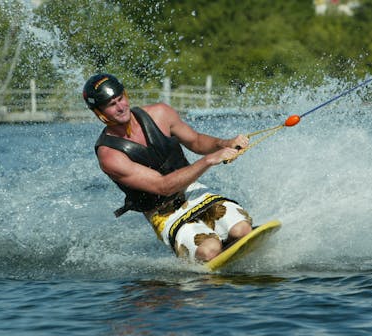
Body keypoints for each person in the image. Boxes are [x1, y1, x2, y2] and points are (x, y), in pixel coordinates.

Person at [83, 73, 253, 262]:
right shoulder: (110, 155)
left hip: (192, 191)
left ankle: (223, 239)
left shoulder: (160, 113)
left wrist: (225, 143)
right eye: (111, 104)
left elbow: (196, 141)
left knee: (242, 230)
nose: (121, 107)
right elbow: (163, 186)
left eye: (120, 98)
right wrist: (208, 160)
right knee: (210, 251)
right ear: (99, 112)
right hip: (163, 212)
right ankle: (209, 250)